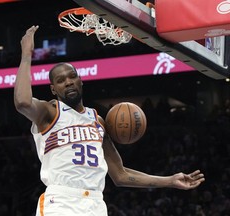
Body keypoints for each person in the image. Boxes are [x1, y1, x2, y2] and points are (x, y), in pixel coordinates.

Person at [14, 25, 205, 216]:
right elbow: (22, 102)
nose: (69, 82)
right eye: (61, 80)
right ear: (54, 90)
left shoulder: (98, 121)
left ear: (81, 81)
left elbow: (120, 174)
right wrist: (26, 56)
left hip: (95, 203)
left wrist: (169, 181)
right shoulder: (49, 112)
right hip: (61, 201)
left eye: (72, 76)